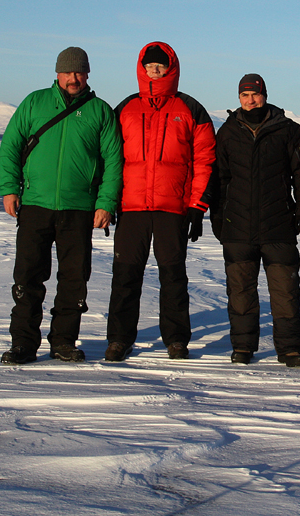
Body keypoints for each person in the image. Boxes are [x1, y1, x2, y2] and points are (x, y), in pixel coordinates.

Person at [0, 46, 122, 364]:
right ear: (57, 73)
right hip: (36, 204)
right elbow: (10, 146)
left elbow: (114, 162)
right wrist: (10, 189)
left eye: (79, 72)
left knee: (73, 279)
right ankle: (23, 343)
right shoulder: (35, 103)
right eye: (67, 72)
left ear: (87, 74)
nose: (73, 78)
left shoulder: (99, 111)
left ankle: (63, 341)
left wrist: (105, 203)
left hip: (79, 209)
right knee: (28, 277)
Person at [104, 42, 215, 362]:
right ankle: (119, 339)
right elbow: (109, 158)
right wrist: (107, 201)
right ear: (142, 68)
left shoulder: (190, 109)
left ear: (171, 68)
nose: (155, 70)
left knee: (173, 275)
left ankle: (177, 339)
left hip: (172, 207)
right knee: (125, 275)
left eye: (161, 65)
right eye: (150, 65)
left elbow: (205, 160)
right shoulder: (125, 108)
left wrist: (196, 206)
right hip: (132, 206)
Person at [211, 74, 300, 367]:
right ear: (238, 98)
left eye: (254, 94)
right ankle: (243, 346)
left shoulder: (288, 130)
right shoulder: (228, 132)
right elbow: (219, 179)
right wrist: (219, 218)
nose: (250, 100)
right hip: (238, 227)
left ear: (265, 95)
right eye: (244, 95)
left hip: (278, 225)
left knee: (285, 292)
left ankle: (290, 348)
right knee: (240, 292)